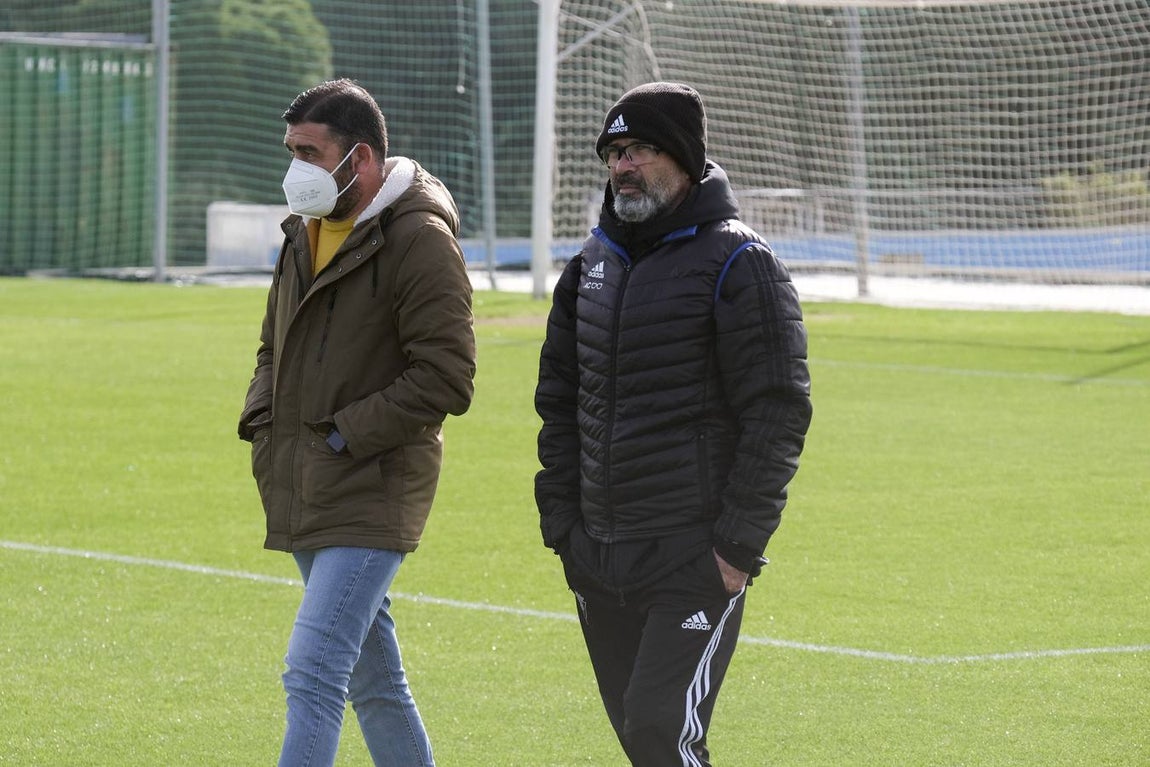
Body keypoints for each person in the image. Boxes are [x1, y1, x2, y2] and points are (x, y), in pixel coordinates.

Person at [534, 82, 813, 766]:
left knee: (663, 729)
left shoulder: (741, 262)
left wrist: (734, 550)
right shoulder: (589, 267)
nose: (623, 165)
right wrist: (564, 529)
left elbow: (778, 409)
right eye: (614, 152)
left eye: (642, 149)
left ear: (685, 160)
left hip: (691, 557)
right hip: (597, 555)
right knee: (642, 736)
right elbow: (558, 401)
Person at [238, 78, 476, 767]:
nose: (296, 169)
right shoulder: (302, 231)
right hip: (304, 477)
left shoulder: (420, 238)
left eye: (310, 152)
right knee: (376, 682)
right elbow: (271, 346)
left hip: (372, 484)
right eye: (291, 151)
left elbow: (448, 376)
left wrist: (342, 434)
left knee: (312, 673)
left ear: (361, 158)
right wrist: (262, 420)